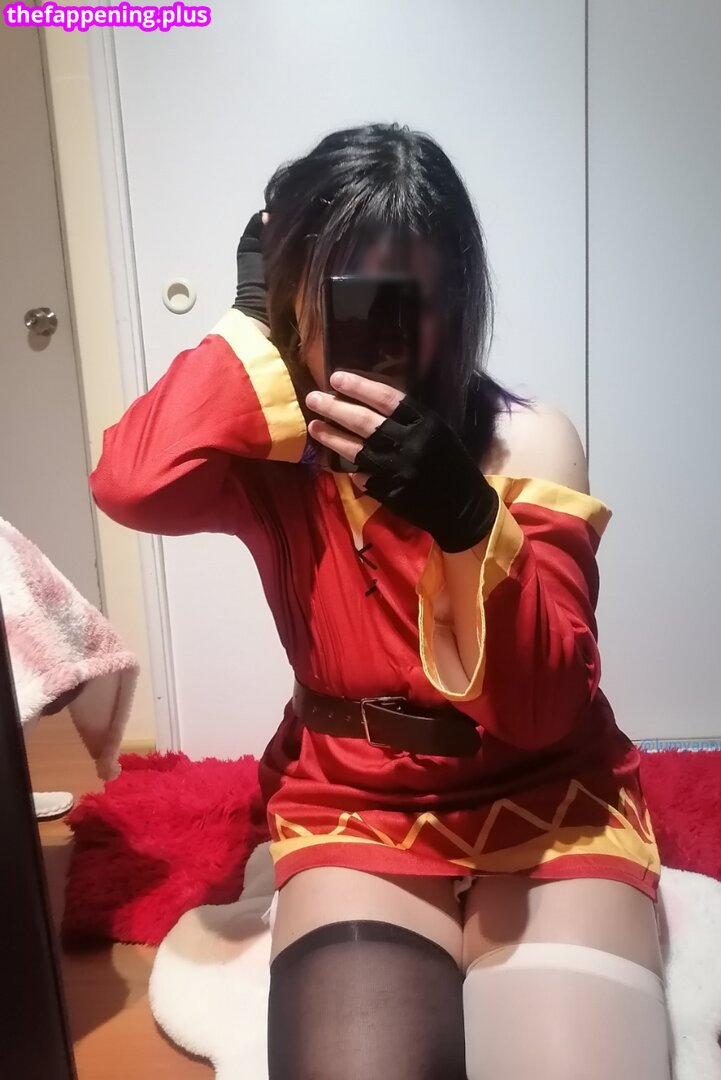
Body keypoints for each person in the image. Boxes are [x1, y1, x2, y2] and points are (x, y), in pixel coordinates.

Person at [90, 124, 670, 1079]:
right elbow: (130, 484)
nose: (388, 337)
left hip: (548, 797)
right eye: (352, 297)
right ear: (298, 299)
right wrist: (249, 320)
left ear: (460, 301)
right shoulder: (272, 457)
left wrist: (467, 518)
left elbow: (541, 709)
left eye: (414, 300)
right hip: (355, 801)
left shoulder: (524, 441)